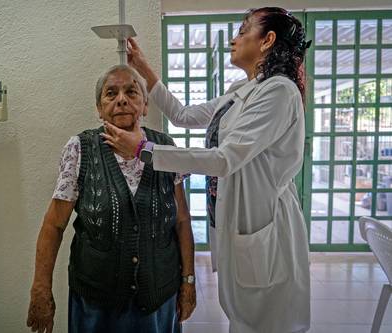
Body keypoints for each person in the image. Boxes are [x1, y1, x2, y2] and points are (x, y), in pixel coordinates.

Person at [101, 7, 311, 333]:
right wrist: (141, 66)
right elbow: (183, 115)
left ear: (267, 40)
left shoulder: (279, 92)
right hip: (238, 222)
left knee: (265, 321)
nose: (234, 39)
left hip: (263, 224)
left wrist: (144, 150)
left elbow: (224, 159)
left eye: (243, 31)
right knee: (242, 318)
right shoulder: (239, 93)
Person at [26, 64, 196, 333]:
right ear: (99, 108)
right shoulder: (80, 148)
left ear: (145, 105)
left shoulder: (165, 148)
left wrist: (188, 280)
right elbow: (54, 225)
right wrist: (41, 288)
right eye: (111, 93)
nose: (121, 100)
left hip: (158, 297)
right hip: (96, 304)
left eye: (131, 92)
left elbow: (182, 221)